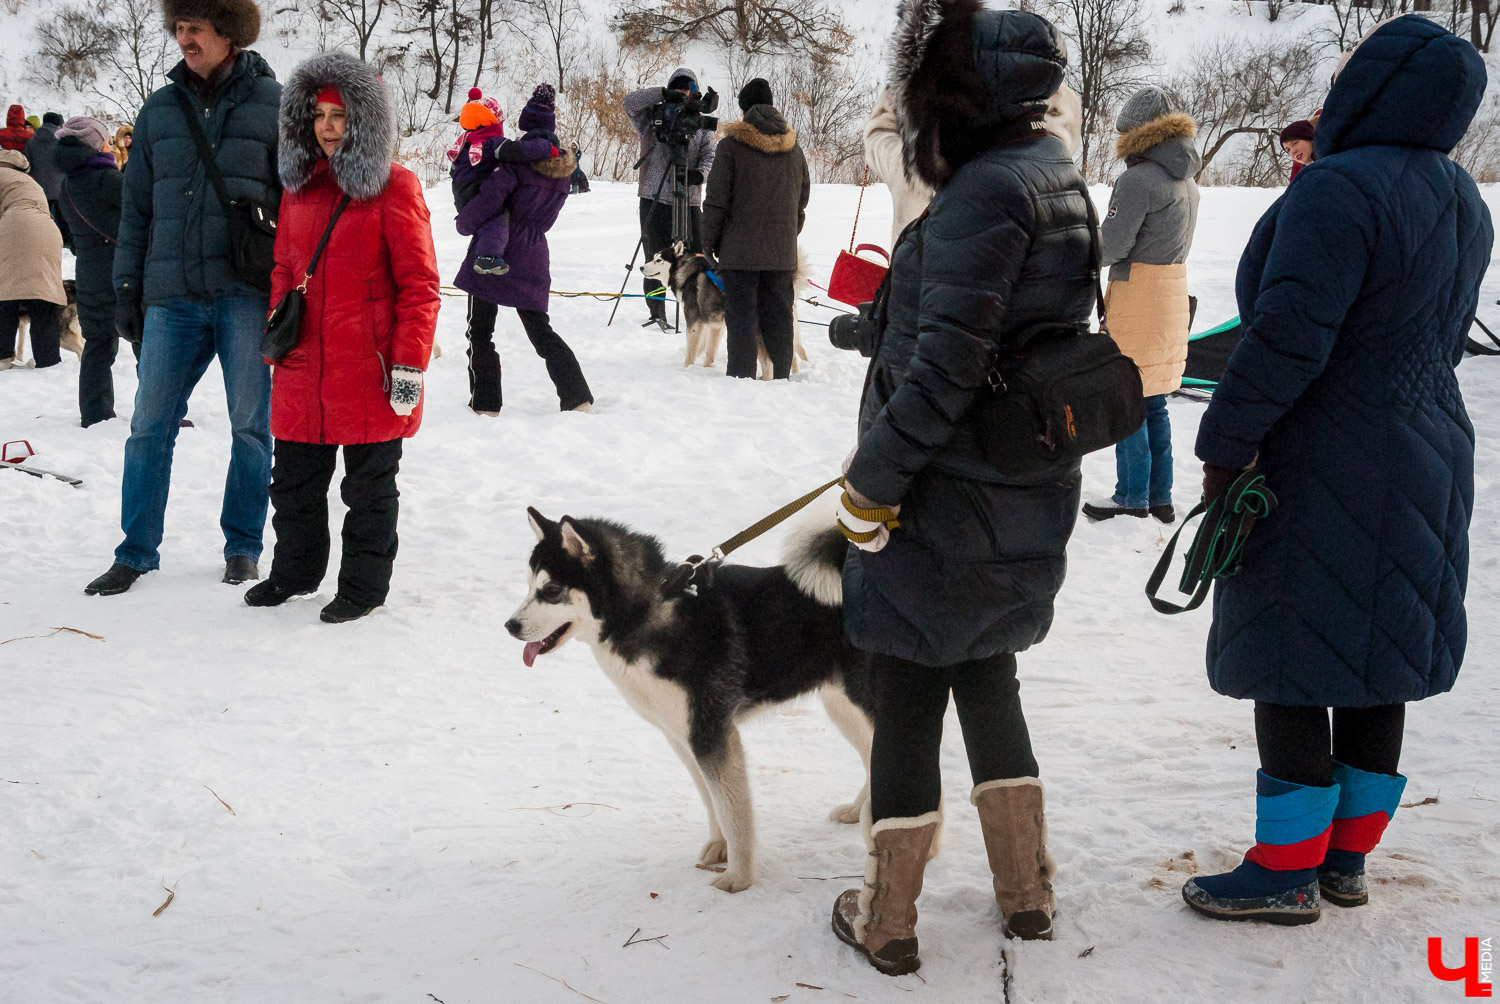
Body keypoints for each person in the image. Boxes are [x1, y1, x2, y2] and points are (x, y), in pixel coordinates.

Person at [1180, 15, 1492, 926]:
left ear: (1375, 87)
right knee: (1377, 656)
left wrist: (1226, 444)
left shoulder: (1336, 192)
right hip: (1430, 449)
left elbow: (1285, 341)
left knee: (1287, 652)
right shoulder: (1461, 196)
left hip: (1324, 455)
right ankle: (1345, 859)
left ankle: (1283, 867)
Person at [829, 1, 1095, 974]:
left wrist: (872, 483)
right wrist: (876, 327)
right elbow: (991, 327)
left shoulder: (985, 193)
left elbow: (947, 365)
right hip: (1018, 487)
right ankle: (1025, 894)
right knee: (988, 673)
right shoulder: (1049, 174)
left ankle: (888, 916)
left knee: (904, 686)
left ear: (960, 103)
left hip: (948, 493)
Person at [83, 0, 281, 597]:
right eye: (179, 27)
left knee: (251, 427)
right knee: (148, 428)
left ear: (229, 31)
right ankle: (136, 552)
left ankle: (243, 546)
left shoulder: (274, 105)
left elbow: (298, 204)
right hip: (170, 297)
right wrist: (125, 287)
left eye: (195, 27)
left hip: (245, 293)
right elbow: (135, 207)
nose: (184, 37)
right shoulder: (158, 110)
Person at [243, 53, 439, 624]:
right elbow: (284, 265)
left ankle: (362, 587)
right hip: (305, 363)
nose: (328, 126)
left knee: (370, 490)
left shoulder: (396, 186)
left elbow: (421, 286)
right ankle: (295, 573)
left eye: (341, 115)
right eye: (319, 114)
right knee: (294, 484)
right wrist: (281, 318)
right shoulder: (297, 187)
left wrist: (408, 364)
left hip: (371, 368)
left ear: (366, 122)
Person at [1082, 85, 1200, 524]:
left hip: (1138, 298)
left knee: (1129, 397)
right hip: (1170, 296)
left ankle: (1132, 496)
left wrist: (1081, 238)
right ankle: (1160, 495)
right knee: (1154, 401)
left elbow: (1110, 247)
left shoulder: (1137, 181)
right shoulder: (1187, 181)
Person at [454, 84, 594, 416]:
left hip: (494, 249)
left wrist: (464, 223)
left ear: (525, 126)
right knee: (540, 331)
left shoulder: (514, 162)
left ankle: (485, 404)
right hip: (533, 251)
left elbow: (490, 200)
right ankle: (578, 398)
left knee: (480, 330)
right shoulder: (561, 172)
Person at [863, 82, 1084, 248]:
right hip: (920, 270)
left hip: (986, 269)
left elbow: (1060, 140)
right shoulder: (917, 74)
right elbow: (881, 131)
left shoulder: (1044, 82)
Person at [700, 78, 810, 381]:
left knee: (742, 320)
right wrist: (787, 235)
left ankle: (741, 378)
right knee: (779, 316)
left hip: (739, 254)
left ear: (744, 110)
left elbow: (716, 202)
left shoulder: (731, 148)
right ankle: (781, 377)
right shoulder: (794, 149)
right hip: (781, 254)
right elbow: (801, 202)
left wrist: (707, 244)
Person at [53, 116, 136, 426]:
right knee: (146, 341)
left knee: (98, 344)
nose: (110, 145)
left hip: (88, 270)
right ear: (96, 145)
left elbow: (68, 235)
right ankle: (158, 411)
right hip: (125, 270)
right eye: (106, 141)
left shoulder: (66, 187)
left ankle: (95, 412)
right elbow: (143, 218)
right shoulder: (110, 181)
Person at [623, 67, 717, 331]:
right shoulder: (654, 115)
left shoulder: (699, 121)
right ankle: (657, 312)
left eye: (687, 89)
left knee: (697, 255)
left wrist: (699, 174)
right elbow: (629, 102)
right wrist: (662, 95)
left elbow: (710, 154)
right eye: (678, 87)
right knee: (655, 257)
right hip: (653, 197)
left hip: (688, 199)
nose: (683, 93)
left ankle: (699, 309)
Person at [447, 87, 557, 277]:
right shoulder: (492, 143)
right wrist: (545, 148)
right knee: (496, 219)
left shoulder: (466, 143)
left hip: (461, 193)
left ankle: (484, 250)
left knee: (484, 222)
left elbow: (454, 169)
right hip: (476, 192)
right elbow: (518, 150)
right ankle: (488, 256)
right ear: (492, 122)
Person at [0, 147, 65, 370]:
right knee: (43, 294)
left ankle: (2, 356)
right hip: (48, 231)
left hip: (14, 230)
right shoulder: (27, 179)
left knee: (5, 293)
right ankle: (48, 360)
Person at [24, 112, 70, 245]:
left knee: (41, 217)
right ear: (58, 124)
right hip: (60, 187)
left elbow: (27, 163)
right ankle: (64, 241)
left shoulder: (32, 141)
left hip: (39, 187)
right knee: (63, 218)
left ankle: (39, 240)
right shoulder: (60, 141)